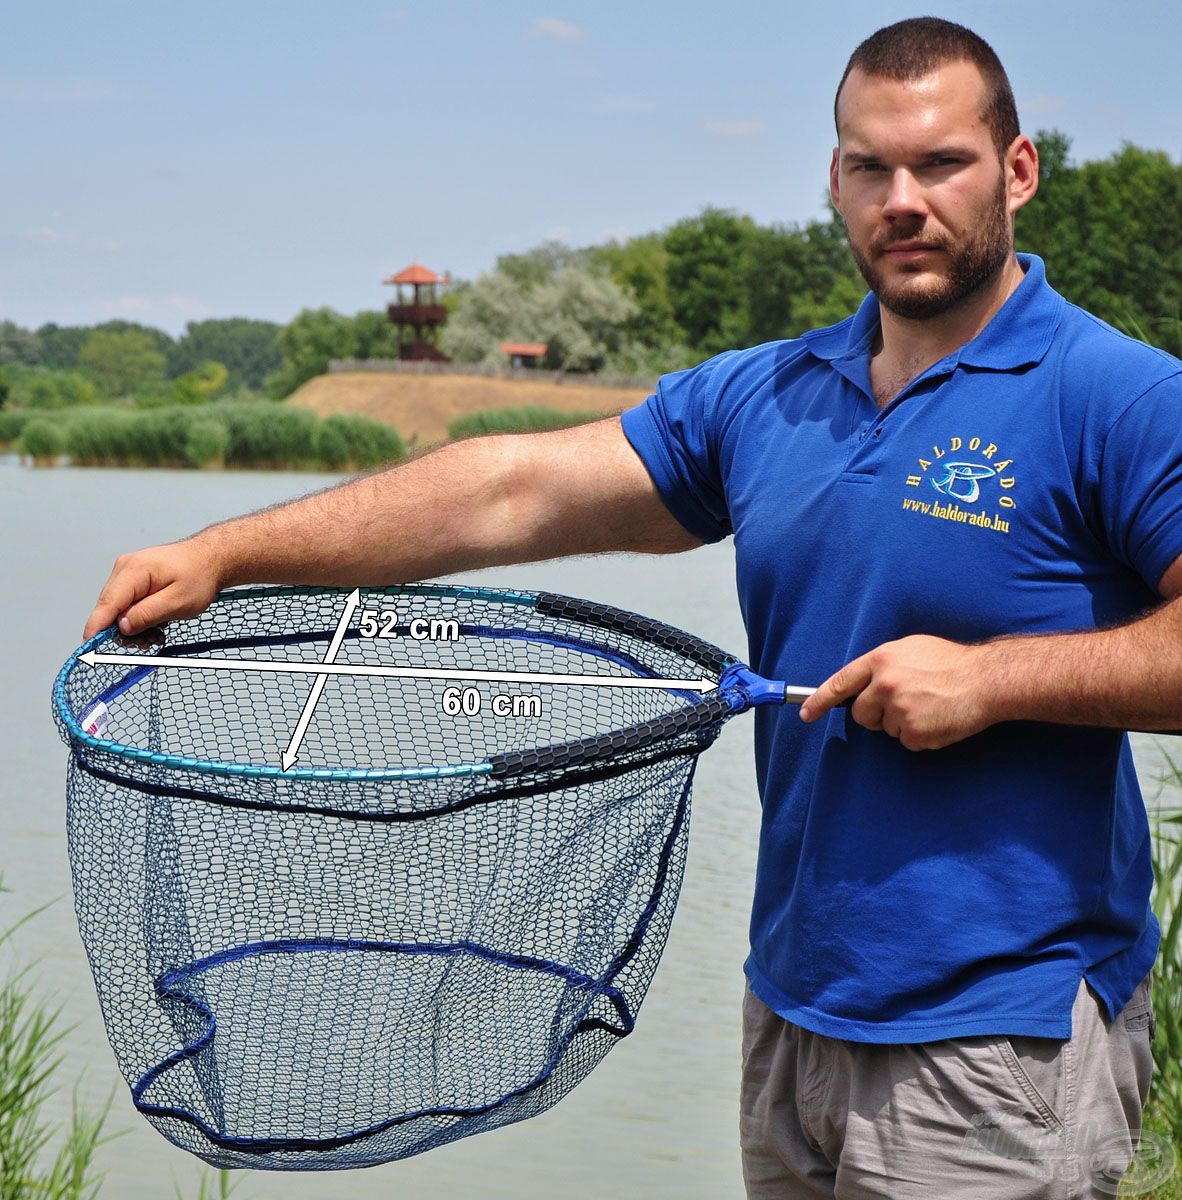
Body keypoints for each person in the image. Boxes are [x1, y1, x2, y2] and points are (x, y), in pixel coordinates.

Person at [84, 16, 1181, 1198]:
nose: (903, 199)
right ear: (835, 181)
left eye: (941, 164)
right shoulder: (770, 395)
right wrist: (229, 552)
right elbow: (512, 491)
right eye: (872, 166)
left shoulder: (1114, 395)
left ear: (1017, 171)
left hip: (994, 1034)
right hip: (795, 1011)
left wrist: (991, 680)